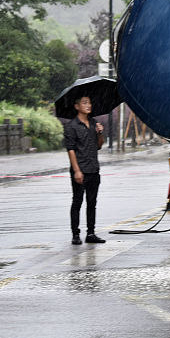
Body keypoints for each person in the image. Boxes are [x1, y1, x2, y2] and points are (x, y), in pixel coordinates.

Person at [63, 96, 106, 245]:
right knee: (77, 202)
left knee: (92, 202)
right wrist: (77, 171)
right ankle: (75, 234)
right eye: (84, 103)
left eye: (90, 102)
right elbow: (71, 150)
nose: (88, 105)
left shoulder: (94, 123)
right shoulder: (72, 126)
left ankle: (91, 233)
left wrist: (100, 133)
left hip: (94, 168)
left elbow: (99, 146)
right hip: (80, 170)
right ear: (77, 106)